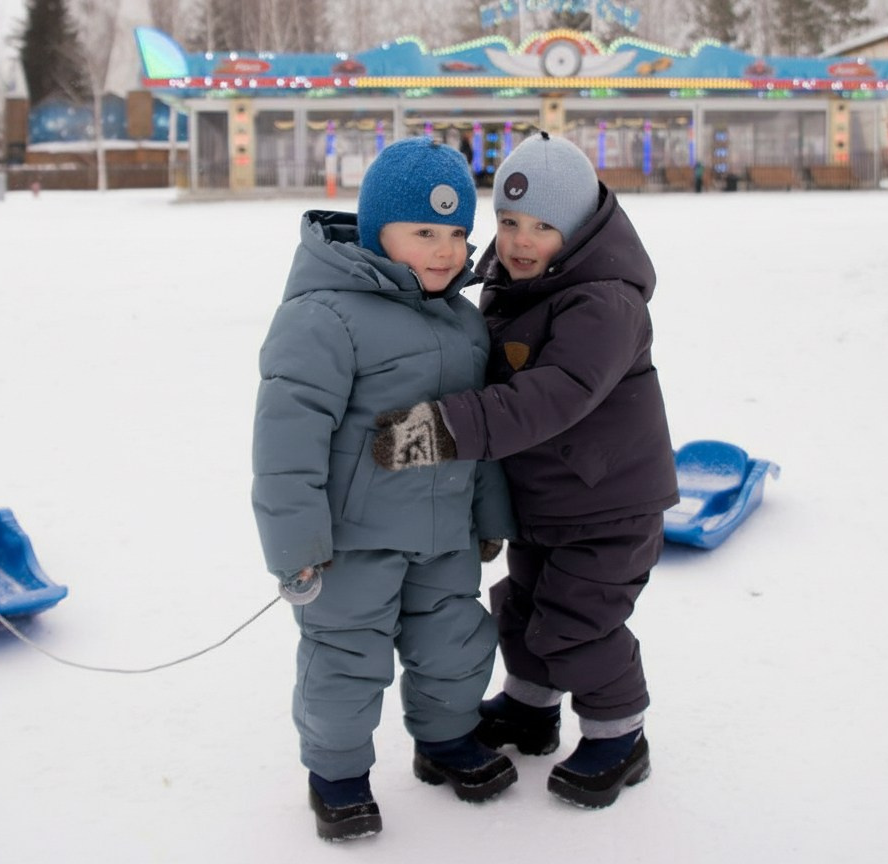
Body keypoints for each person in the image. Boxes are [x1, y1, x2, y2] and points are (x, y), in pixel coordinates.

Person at [372, 132, 679, 810]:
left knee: (577, 624)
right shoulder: (516, 288)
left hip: (608, 505)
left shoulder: (605, 302)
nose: (519, 241)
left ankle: (620, 735)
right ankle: (531, 709)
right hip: (548, 501)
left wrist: (439, 430)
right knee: (524, 607)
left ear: (580, 228)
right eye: (509, 222)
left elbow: (553, 395)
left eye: (542, 226)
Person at [251, 136, 519, 842]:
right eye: (424, 233)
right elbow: (286, 445)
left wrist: (488, 516)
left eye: (457, 233)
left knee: (455, 643)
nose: (446, 251)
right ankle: (337, 776)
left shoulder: (464, 323)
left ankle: (446, 739)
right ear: (377, 231)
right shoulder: (324, 317)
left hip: (445, 535)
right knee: (345, 659)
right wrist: (296, 545)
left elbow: (479, 430)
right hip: (351, 545)